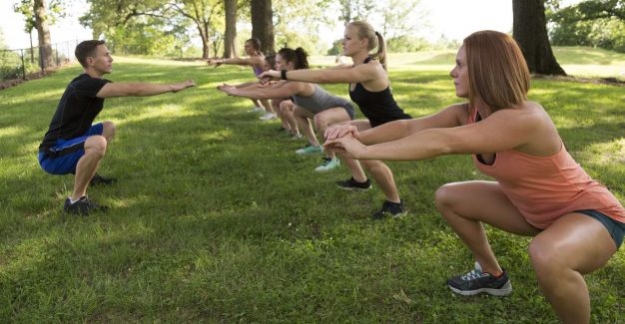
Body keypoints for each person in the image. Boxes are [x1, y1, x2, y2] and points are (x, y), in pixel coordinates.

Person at [323, 30, 625, 323]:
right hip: (533, 213)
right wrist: (358, 133)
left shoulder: (525, 119)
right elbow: (410, 128)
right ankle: (492, 275)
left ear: (485, 69)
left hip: (591, 215)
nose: (452, 72)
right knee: (450, 196)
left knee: (547, 254)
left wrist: (362, 152)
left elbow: (443, 142)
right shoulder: (467, 111)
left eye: (460, 64)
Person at [260, 21, 411, 218]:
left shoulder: (370, 69)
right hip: (377, 122)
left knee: (366, 155)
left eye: (348, 38)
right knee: (337, 133)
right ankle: (360, 181)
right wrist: (281, 78)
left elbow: (322, 77)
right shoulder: (355, 66)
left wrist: (281, 74)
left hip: (395, 124)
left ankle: (395, 205)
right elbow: (320, 72)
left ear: (363, 42)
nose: (343, 42)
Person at [37, 40, 196, 215]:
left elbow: (130, 90)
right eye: (106, 55)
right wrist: (173, 87)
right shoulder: (84, 85)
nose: (111, 59)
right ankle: (75, 201)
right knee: (98, 143)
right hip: (53, 153)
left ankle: (89, 175)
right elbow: (133, 90)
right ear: (90, 61)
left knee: (108, 127)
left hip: (70, 142)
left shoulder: (93, 83)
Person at [219, 47, 354, 172]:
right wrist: (236, 88)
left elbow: (265, 94)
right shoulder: (289, 78)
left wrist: (236, 93)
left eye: (278, 63)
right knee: (297, 110)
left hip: (342, 109)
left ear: (289, 65)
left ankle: (333, 158)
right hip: (323, 109)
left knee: (320, 119)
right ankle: (314, 145)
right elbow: (263, 87)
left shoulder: (297, 82)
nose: (275, 66)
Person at [208, 38, 276, 120]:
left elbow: (240, 61)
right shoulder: (254, 57)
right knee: (247, 85)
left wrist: (223, 61)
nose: (245, 48)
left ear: (254, 48)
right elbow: (243, 63)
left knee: (256, 89)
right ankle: (258, 108)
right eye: (245, 46)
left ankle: (271, 112)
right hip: (264, 81)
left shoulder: (257, 58)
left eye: (248, 47)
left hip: (271, 82)